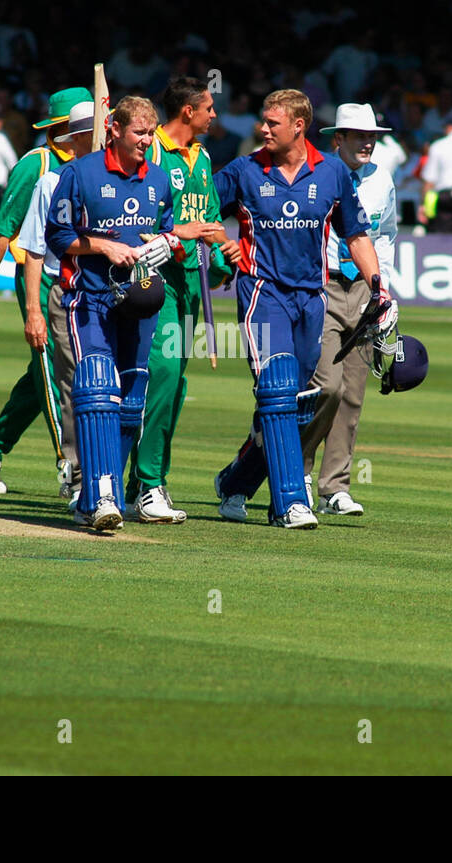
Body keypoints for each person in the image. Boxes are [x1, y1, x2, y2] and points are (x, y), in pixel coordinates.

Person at [208, 89, 383, 530]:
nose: (262, 129)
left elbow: (357, 236)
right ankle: (290, 502)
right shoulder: (245, 169)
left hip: (311, 299)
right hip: (261, 293)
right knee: (279, 387)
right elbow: (202, 208)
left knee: (312, 394)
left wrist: (380, 287)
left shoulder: (332, 174)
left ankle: (236, 480)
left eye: (272, 123)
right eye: (263, 122)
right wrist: (220, 244)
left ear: (298, 126)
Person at [45, 95, 192, 531]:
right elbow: (58, 237)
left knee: (131, 400)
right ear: (114, 129)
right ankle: (102, 493)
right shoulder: (79, 174)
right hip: (88, 297)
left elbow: (168, 233)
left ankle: (96, 497)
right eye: (138, 134)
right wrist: (103, 245)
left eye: (150, 133)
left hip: (140, 303)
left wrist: (168, 243)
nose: (147, 141)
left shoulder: (160, 180)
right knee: (96, 391)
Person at [0, 86, 91, 496]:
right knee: (57, 376)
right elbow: (4, 228)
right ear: (69, 128)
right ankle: (72, 471)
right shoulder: (37, 165)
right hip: (43, 277)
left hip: (85, 280)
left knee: (47, 373)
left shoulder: (99, 164)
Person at [124, 76, 233, 523]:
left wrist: (225, 255)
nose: (214, 115)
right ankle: (149, 486)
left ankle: (139, 487)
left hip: (190, 281)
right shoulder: (150, 151)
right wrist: (167, 240)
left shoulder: (203, 158)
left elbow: (207, 217)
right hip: (156, 281)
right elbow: (135, 211)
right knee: (162, 377)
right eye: (209, 108)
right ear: (188, 111)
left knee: (175, 386)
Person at [299, 103, 398, 518]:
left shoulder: (382, 180)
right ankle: (297, 474)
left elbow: (386, 235)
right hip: (322, 284)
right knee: (326, 385)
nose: (368, 142)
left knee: (353, 394)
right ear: (337, 139)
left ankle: (334, 487)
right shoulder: (318, 173)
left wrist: (384, 289)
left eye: (372, 135)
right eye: (359, 136)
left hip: (364, 289)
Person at [12, 101, 97, 510]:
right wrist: (33, 311)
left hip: (117, 299)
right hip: (67, 292)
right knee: (72, 386)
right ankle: (80, 476)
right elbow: (31, 250)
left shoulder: (136, 178)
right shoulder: (50, 179)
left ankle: (120, 477)